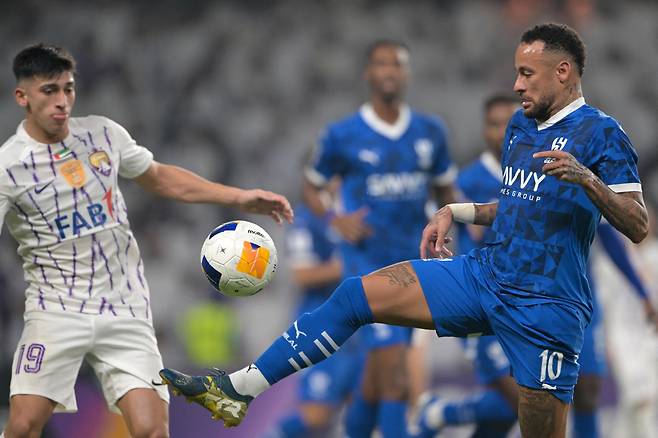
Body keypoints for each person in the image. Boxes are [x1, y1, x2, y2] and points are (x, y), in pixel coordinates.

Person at [160, 23, 649, 438]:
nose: (517, 85)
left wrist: (588, 179)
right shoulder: (522, 129)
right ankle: (238, 388)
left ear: (562, 72)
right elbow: (520, 207)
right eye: (516, 72)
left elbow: (637, 223)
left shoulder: (603, 134)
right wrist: (454, 211)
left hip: (547, 307)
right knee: (354, 296)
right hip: (485, 277)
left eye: (526, 73)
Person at [0, 44, 293, 438]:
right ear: (23, 96)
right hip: (56, 310)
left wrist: (238, 197)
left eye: (68, 89)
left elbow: (159, 177)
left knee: (153, 430)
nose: (62, 101)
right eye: (49, 91)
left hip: (124, 307)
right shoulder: (9, 166)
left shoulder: (102, 133)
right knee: (22, 424)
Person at [411, 94, 655, 438]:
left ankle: (441, 412)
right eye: (492, 124)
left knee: (585, 390)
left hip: (568, 295)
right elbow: (453, 234)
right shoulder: (468, 181)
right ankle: (442, 412)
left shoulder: (557, 163)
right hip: (502, 299)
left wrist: (641, 290)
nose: (500, 132)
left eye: (505, 122)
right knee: (520, 401)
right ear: (484, 130)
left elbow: (609, 233)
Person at [305, 39, 457, 438]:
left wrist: (446, 225)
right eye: (381, 64)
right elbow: (311, 185)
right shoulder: (342, 135)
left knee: (376, 382)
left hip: (414, 266)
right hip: (366, 266)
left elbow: (446, 193)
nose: (389, 71)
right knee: (396, 377)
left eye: (397, 64)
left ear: (406, 74)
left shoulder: (431, 132)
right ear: (368, 73)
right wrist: (335, 217)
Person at [262, 196, 362, 437]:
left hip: (359, 327)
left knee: (361, 407)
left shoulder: (354, 209)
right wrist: (346, 266)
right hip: (322, 328)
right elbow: (302, 274)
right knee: (316, 414)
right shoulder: (307, 221)